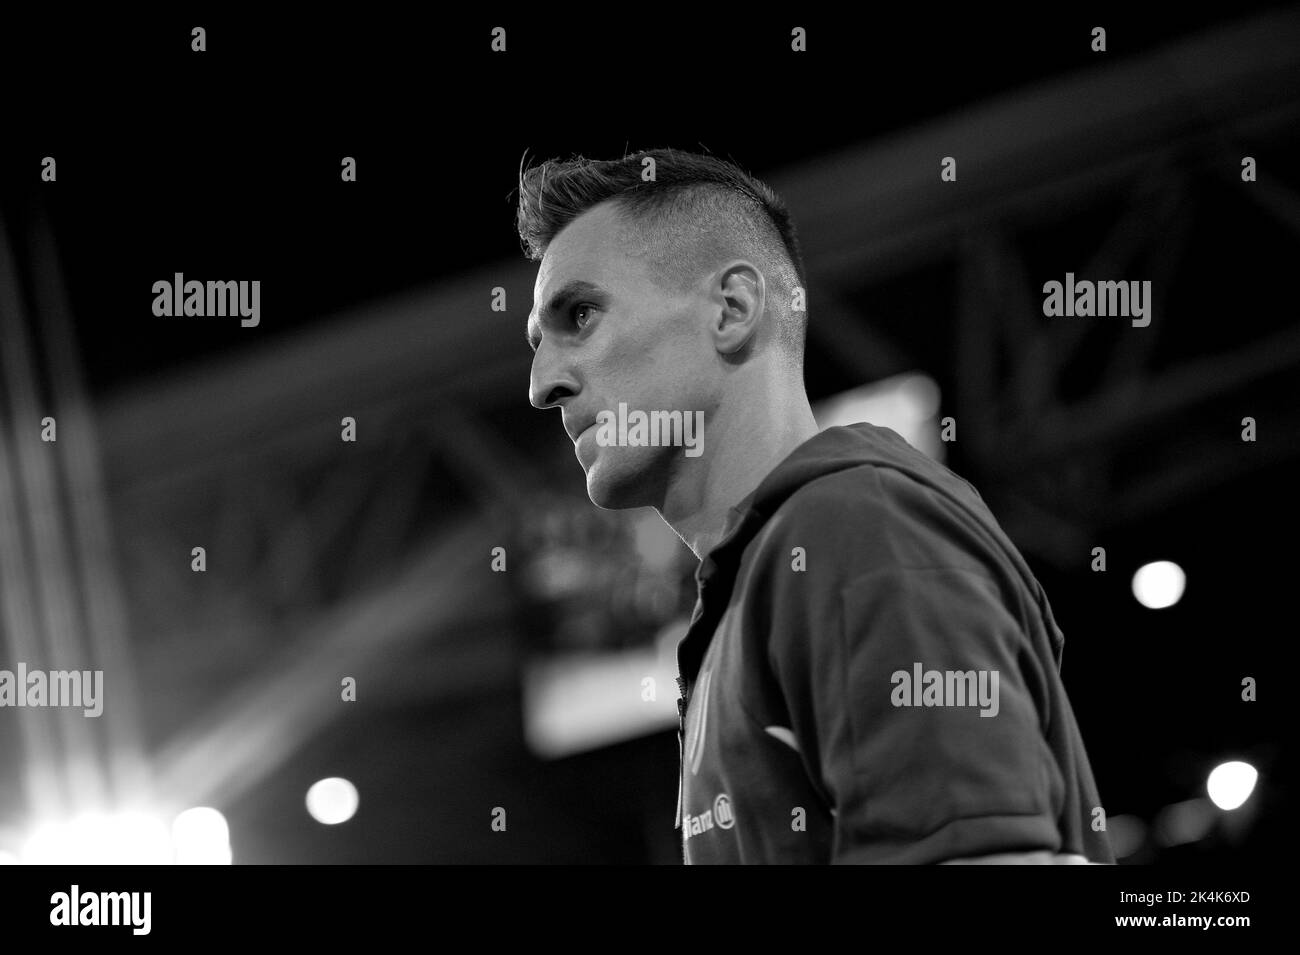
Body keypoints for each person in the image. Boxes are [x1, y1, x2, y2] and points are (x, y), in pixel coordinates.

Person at [517, 147, 1114, 865]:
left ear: (732, 310)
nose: (541, 382)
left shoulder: (850, 525)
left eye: (578, 314)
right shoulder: (765, 582)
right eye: (537, 342)